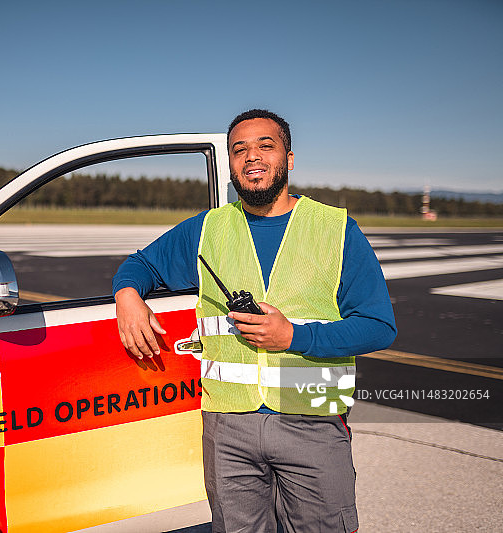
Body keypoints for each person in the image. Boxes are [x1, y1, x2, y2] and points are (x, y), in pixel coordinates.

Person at [112, 109, 396, 532]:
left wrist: (294, 336)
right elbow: (141, 265)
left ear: (289, 159)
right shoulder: (207, 229)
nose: (252, 156)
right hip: (229, 428)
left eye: (266, 145)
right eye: (239, 149)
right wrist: (127, 296)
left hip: (312, 423)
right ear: (230, 163)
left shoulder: (336, 229)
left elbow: (378, 325)